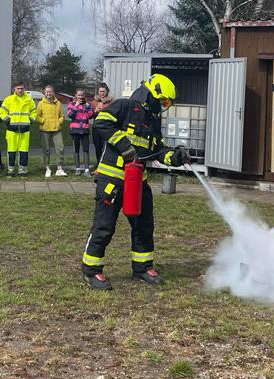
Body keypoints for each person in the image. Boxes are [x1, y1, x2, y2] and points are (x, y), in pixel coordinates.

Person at [81, 74, 189, 290]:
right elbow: (101, 123)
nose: (164, 106)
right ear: (153, 94)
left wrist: (174, 157)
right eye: (163, 101)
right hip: (112, 179)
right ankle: (91, 270)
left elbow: (157, 150)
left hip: (138, 182)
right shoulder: (123, 106)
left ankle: (142, 267)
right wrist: (125, 148)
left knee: (144, 226)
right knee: (104, 226)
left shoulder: (151, 121)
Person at [0, 82, 36, 177]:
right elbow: (2, 112)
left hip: (25, 130)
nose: (20, 90)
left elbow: (34, 112)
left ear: (24, 89)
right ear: (14, 89)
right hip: (12, 129)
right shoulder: (9, 99)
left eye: (22, 88)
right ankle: (10, 170)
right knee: (11, 151)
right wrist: (8, 121)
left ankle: (22, 170)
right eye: (18, 88)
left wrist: (30, 120)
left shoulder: (29, 100)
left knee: (24, 151)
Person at [36, 84, 67, 178]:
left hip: (56, 129)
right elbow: (37, 116)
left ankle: (59, 168)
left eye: (50, 92)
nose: (49, 93)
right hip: (45, 129)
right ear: (44, 93)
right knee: (46, 150)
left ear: (53, 93)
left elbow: (62, 115)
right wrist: (42, 121)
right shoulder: (41, 103)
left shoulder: (58, 103)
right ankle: (47, 168)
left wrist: (59, 122)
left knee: (60, 148)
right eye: (47, 92)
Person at [66, 88, 94, 175]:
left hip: (85, 129)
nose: (80, 97)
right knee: (76, 149)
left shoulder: (87, 105)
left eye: (82, 95)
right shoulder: (71, 104)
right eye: (79, 95)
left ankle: (86, 170)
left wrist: (88, 107)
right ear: (76, 95)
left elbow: (90, 116)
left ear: (84, 96)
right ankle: (77, 168)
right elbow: (70, 115)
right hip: (75, 129)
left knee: (86, 149)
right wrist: (76, 106)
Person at [91, 83, 114, 172]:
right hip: (96, 128)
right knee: (98, 147)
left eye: (103, 91)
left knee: (106, 148)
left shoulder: (111, 102)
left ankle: (107, 167)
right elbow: (90, 115)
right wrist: (95, 111)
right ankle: (99, 167)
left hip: (107, 127)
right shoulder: (94, 102)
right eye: (100, 91)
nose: (102, 93)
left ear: (107, 92)